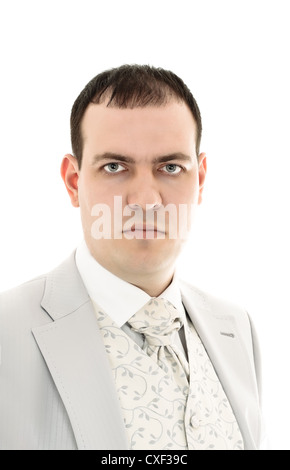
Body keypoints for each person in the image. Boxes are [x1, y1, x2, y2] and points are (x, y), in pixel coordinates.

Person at [0, 65, 264, 450]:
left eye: (171, 167)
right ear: (74, 182)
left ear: (200, 179)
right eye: (115, 167)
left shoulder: (238, 328)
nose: (146, 201)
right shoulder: (6, 333)